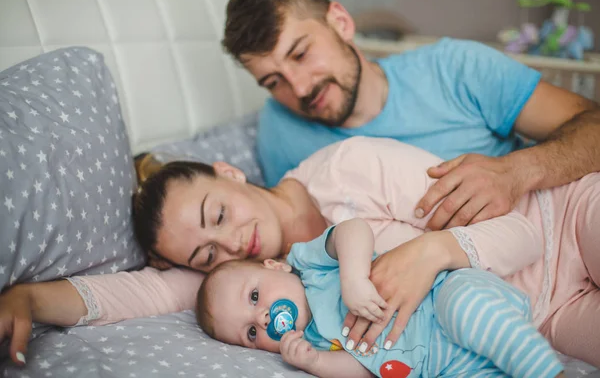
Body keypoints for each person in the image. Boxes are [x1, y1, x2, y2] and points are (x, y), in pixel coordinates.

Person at [1, 137, 598, 368]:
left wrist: (433, 251)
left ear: (230, 171)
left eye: (220, 214)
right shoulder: (246, 288)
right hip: (540, 314)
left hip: (561, 220)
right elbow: (138, 293)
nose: (232, 242)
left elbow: (515, 224)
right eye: (206, 255)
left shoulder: (351, 168)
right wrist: (25, 295)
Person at [225, 0, 600, 228]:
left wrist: (516, 172)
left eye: (301, 54)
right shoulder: (279, 129)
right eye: (273, 82)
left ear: (340, 22)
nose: (300, 89)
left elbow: (593, 127)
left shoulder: (458, 68)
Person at [196, 218, 565, 378]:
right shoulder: (314, 344)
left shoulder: (308, 265)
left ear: (275, 266)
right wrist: (315, 364)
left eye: (255, 296)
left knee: (466, 308)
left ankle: (546, 371)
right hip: (446, 367)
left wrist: (353, 278)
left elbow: (352, 230)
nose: (262, 319)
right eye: (250, 333)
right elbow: (364, 368)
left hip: (443, 302)